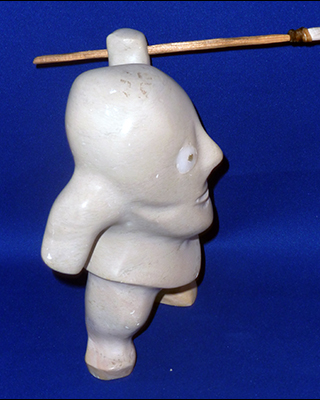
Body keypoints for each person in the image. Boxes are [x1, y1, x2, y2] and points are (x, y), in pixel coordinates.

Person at [41, 28, 223, 380]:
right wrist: (66, 243)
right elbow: (60, 251)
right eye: (189, 155)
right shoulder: (97, 192)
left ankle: (174, 287)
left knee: (183, 257)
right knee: (121, 315)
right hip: (129, 270)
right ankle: (105, 345)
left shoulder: (174, 197)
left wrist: (129, 57)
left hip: (178, 241)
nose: (215, 155)